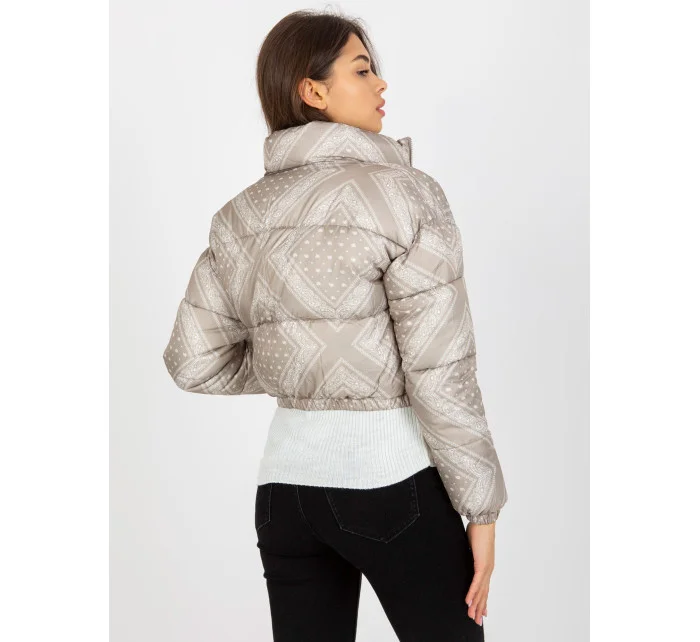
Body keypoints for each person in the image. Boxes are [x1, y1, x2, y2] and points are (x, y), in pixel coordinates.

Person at [162, 8, 508, 641]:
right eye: (362, 70)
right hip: (390, 484)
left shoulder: (238, 216)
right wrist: (481, 509)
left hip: (284, 495)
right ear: (313, 91)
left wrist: (296, 361)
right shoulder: (405, 195)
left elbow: (193, 361)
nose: (381, 84)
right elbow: (439, 372)